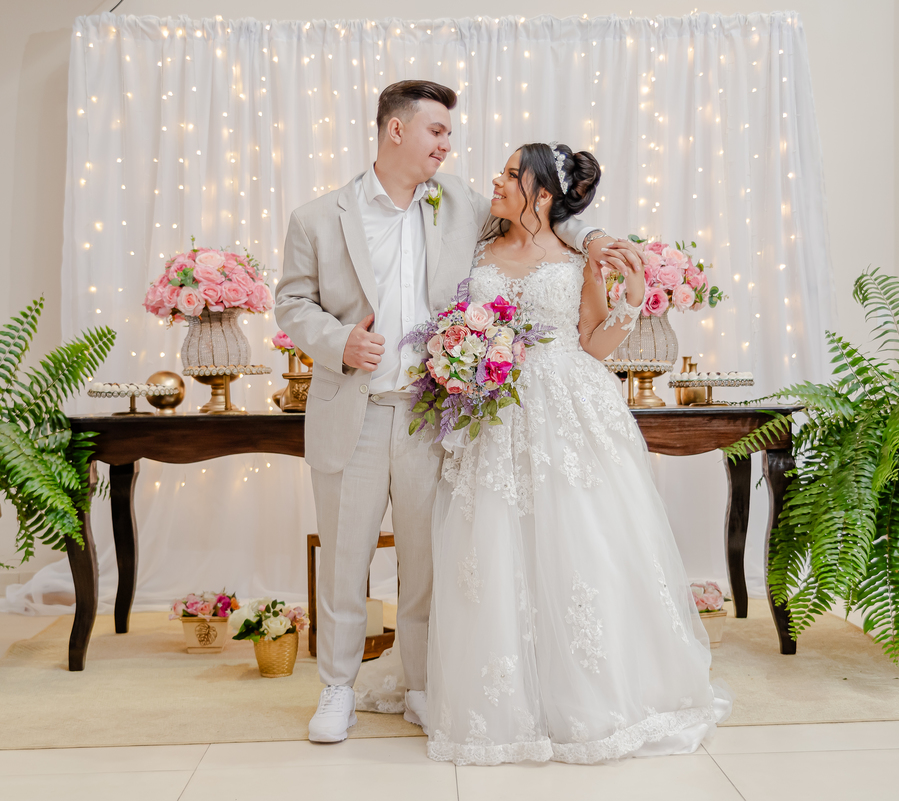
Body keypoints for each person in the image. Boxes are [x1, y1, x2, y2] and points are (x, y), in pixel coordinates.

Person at [274, 81, 637, 744]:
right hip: (352, 410)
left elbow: (542, 214)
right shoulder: (317, 218)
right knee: (345, 559)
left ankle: (421, 685)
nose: (448, 144)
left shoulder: (461, 203)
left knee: (426, 564)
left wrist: (596, 234)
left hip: (431, 414)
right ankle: (337, 688)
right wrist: (338, 341)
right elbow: (292, 303)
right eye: (437, 131)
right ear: (397, 131)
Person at [421, 143, 732, 764]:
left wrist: (632, 299)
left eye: (512, 174)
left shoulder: (575, 259)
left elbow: (592, 343)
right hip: (496, 409)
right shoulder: (476, 249)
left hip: (567, 405)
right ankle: (509, 698)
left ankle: (592, 695)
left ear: (542, 194)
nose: (497, 181)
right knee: (496, 545)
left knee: (579, 541)